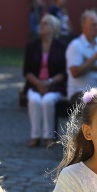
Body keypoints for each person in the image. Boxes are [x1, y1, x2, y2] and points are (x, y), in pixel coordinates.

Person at [23, 14, 67, 148]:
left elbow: (64, 72)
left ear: (54, 28)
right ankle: (35, 136)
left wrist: (49, 82)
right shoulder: (32, 45)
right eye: (41, 22)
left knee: (47, 101)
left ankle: (49, 137)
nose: (41, 25)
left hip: (55, 85)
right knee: (35, 100)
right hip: (35, 84)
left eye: (46, 23)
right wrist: (39, 83)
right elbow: (27, 71)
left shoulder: (61, 46)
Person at [65, 10, 97, 103]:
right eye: (93, 25)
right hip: (80, 92)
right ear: (84, 27)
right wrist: (95, 57)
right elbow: (75, 72)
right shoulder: (75, 46)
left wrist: (90, 65)